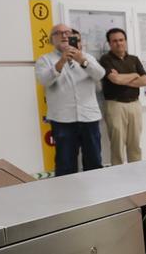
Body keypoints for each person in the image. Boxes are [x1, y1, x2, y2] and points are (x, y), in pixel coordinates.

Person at [36, 25, 105, 176]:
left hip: (89, 117)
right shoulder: (45, 60)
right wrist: (61, 62)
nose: (64, 36)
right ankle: (67, 197)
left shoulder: (87, 57)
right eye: (58, 33)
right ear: (51, 39)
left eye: (67, 32)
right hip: (62, 120)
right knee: (65, 164)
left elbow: (100, 74)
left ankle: (97, 196)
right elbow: (44, 81)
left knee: (94, 162)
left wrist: (83, 61)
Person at [99, 28, 146, 165]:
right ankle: (119, 175)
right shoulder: (105, 59)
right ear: (109, 43)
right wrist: (134, 75)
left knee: (135, 142)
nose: (118, 43)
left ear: (125, 41)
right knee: (117, 144)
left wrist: (123, 78)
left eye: (121, 40)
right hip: (115, 105)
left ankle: (137, 172)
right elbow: (115, 80)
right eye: (114, 41)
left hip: (134, 104)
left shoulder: (134, 59)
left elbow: (145, 81)